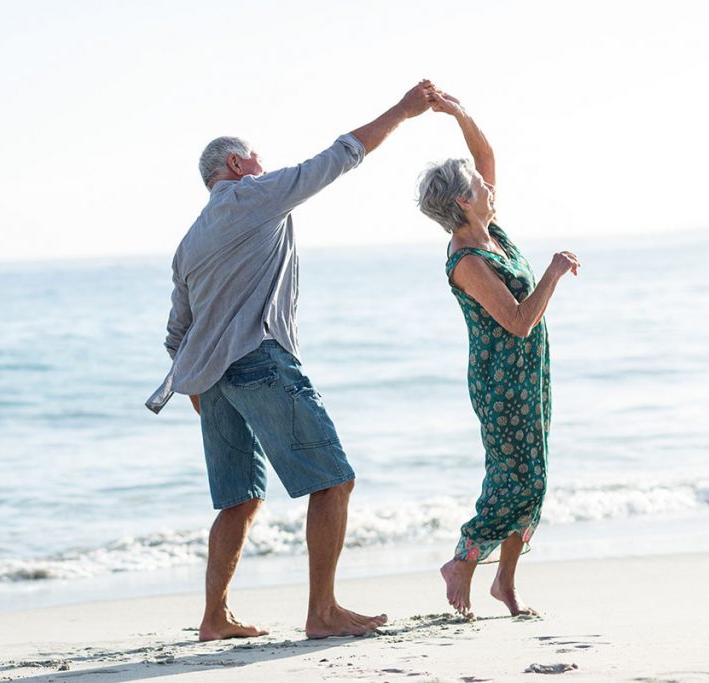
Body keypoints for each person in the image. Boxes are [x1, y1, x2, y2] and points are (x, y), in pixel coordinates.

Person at [146, 80, 437, 640]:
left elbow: (176, 332)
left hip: (211, 381)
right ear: (236, 163)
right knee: (334, 481)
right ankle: (322, 611)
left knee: (240, 499)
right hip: (259, 360)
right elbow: (338, 157)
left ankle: (214, 617)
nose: (264, 163)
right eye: (256, 156)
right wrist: (403, 110)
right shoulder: (254, 194)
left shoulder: (189, 241)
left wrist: (200, 391)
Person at [416, 91, 580, 618]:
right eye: (479, 186)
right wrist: (553, 273)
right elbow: (516, 321)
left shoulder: (491, 232)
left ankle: (504, 584)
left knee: (535, 476)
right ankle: (463, 558)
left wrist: (460, 114)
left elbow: (485, 162)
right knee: (519, 479)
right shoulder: (466, 257)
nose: (490, 185)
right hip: (501, 379)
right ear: (463, 201)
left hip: (531, 372)